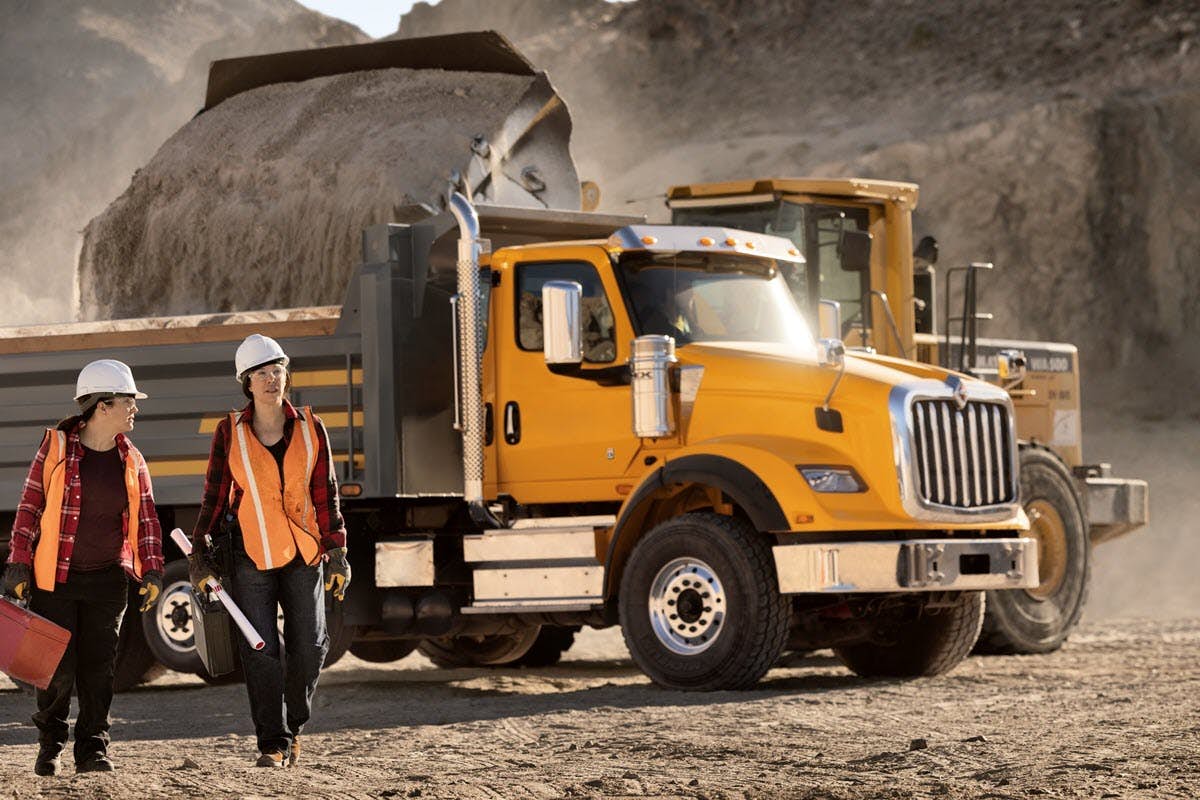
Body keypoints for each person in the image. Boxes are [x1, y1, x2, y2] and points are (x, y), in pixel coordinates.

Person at [188, 333, 350, 768]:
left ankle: (294, 724)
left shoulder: (312, 428)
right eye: (262, 374)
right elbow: (214, 497)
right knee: (260, 650)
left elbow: (326, 495)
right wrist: (200, 553)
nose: (272, 379)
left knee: (311, 646)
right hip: (252, 554)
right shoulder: (230, 432)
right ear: (247, 382)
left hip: (303, 553)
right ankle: (272, 744)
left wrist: (337, 551)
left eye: (277, 370)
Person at [1, 359, 164, 776]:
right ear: (102, 406)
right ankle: (50, 745)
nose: (135, 409)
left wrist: (152, 570)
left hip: (108, 580)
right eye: (129, 401)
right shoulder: (55, 450)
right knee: (57, 671)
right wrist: (18, 564)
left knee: (99, 672)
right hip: (55, 578)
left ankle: (93, 751)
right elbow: (29, 508)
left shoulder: (132, 460)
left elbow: (146, 520)